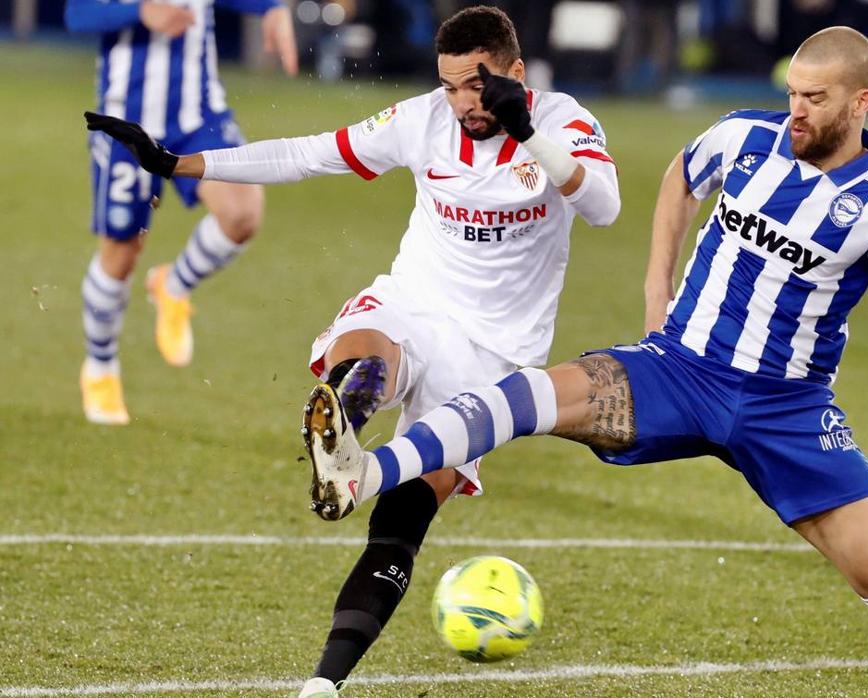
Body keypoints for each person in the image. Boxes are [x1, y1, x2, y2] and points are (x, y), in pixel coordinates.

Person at [306, 26, 868, 698]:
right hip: (678, 370)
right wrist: (656, 287)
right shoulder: (744, 137)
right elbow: (682, 179)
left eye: (814, 98)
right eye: (791, 93)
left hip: (788, 411)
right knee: (519, 399)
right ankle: (362, 472)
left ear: (861, 102)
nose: (796, 110)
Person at [86, 7, 619, 696]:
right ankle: (338, 435)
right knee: (367, 360)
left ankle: (322, 687)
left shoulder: (564, 121)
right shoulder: (422, 120)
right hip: (414, 304)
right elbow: (308, 153)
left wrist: (527, 132)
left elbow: (604, 206)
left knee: (402, 521)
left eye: (478, 85)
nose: (463, 103)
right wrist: (181, 160)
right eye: (451, 86)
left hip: (494, 359)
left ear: (515, 73)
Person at [66, 0, 298, 425]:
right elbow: (76, 13)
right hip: (126, 119)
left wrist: (271, 7)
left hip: (199, 116)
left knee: (242, 213)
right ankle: (100, 368)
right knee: (121, 254)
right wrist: (139, 12)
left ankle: (173, 285)